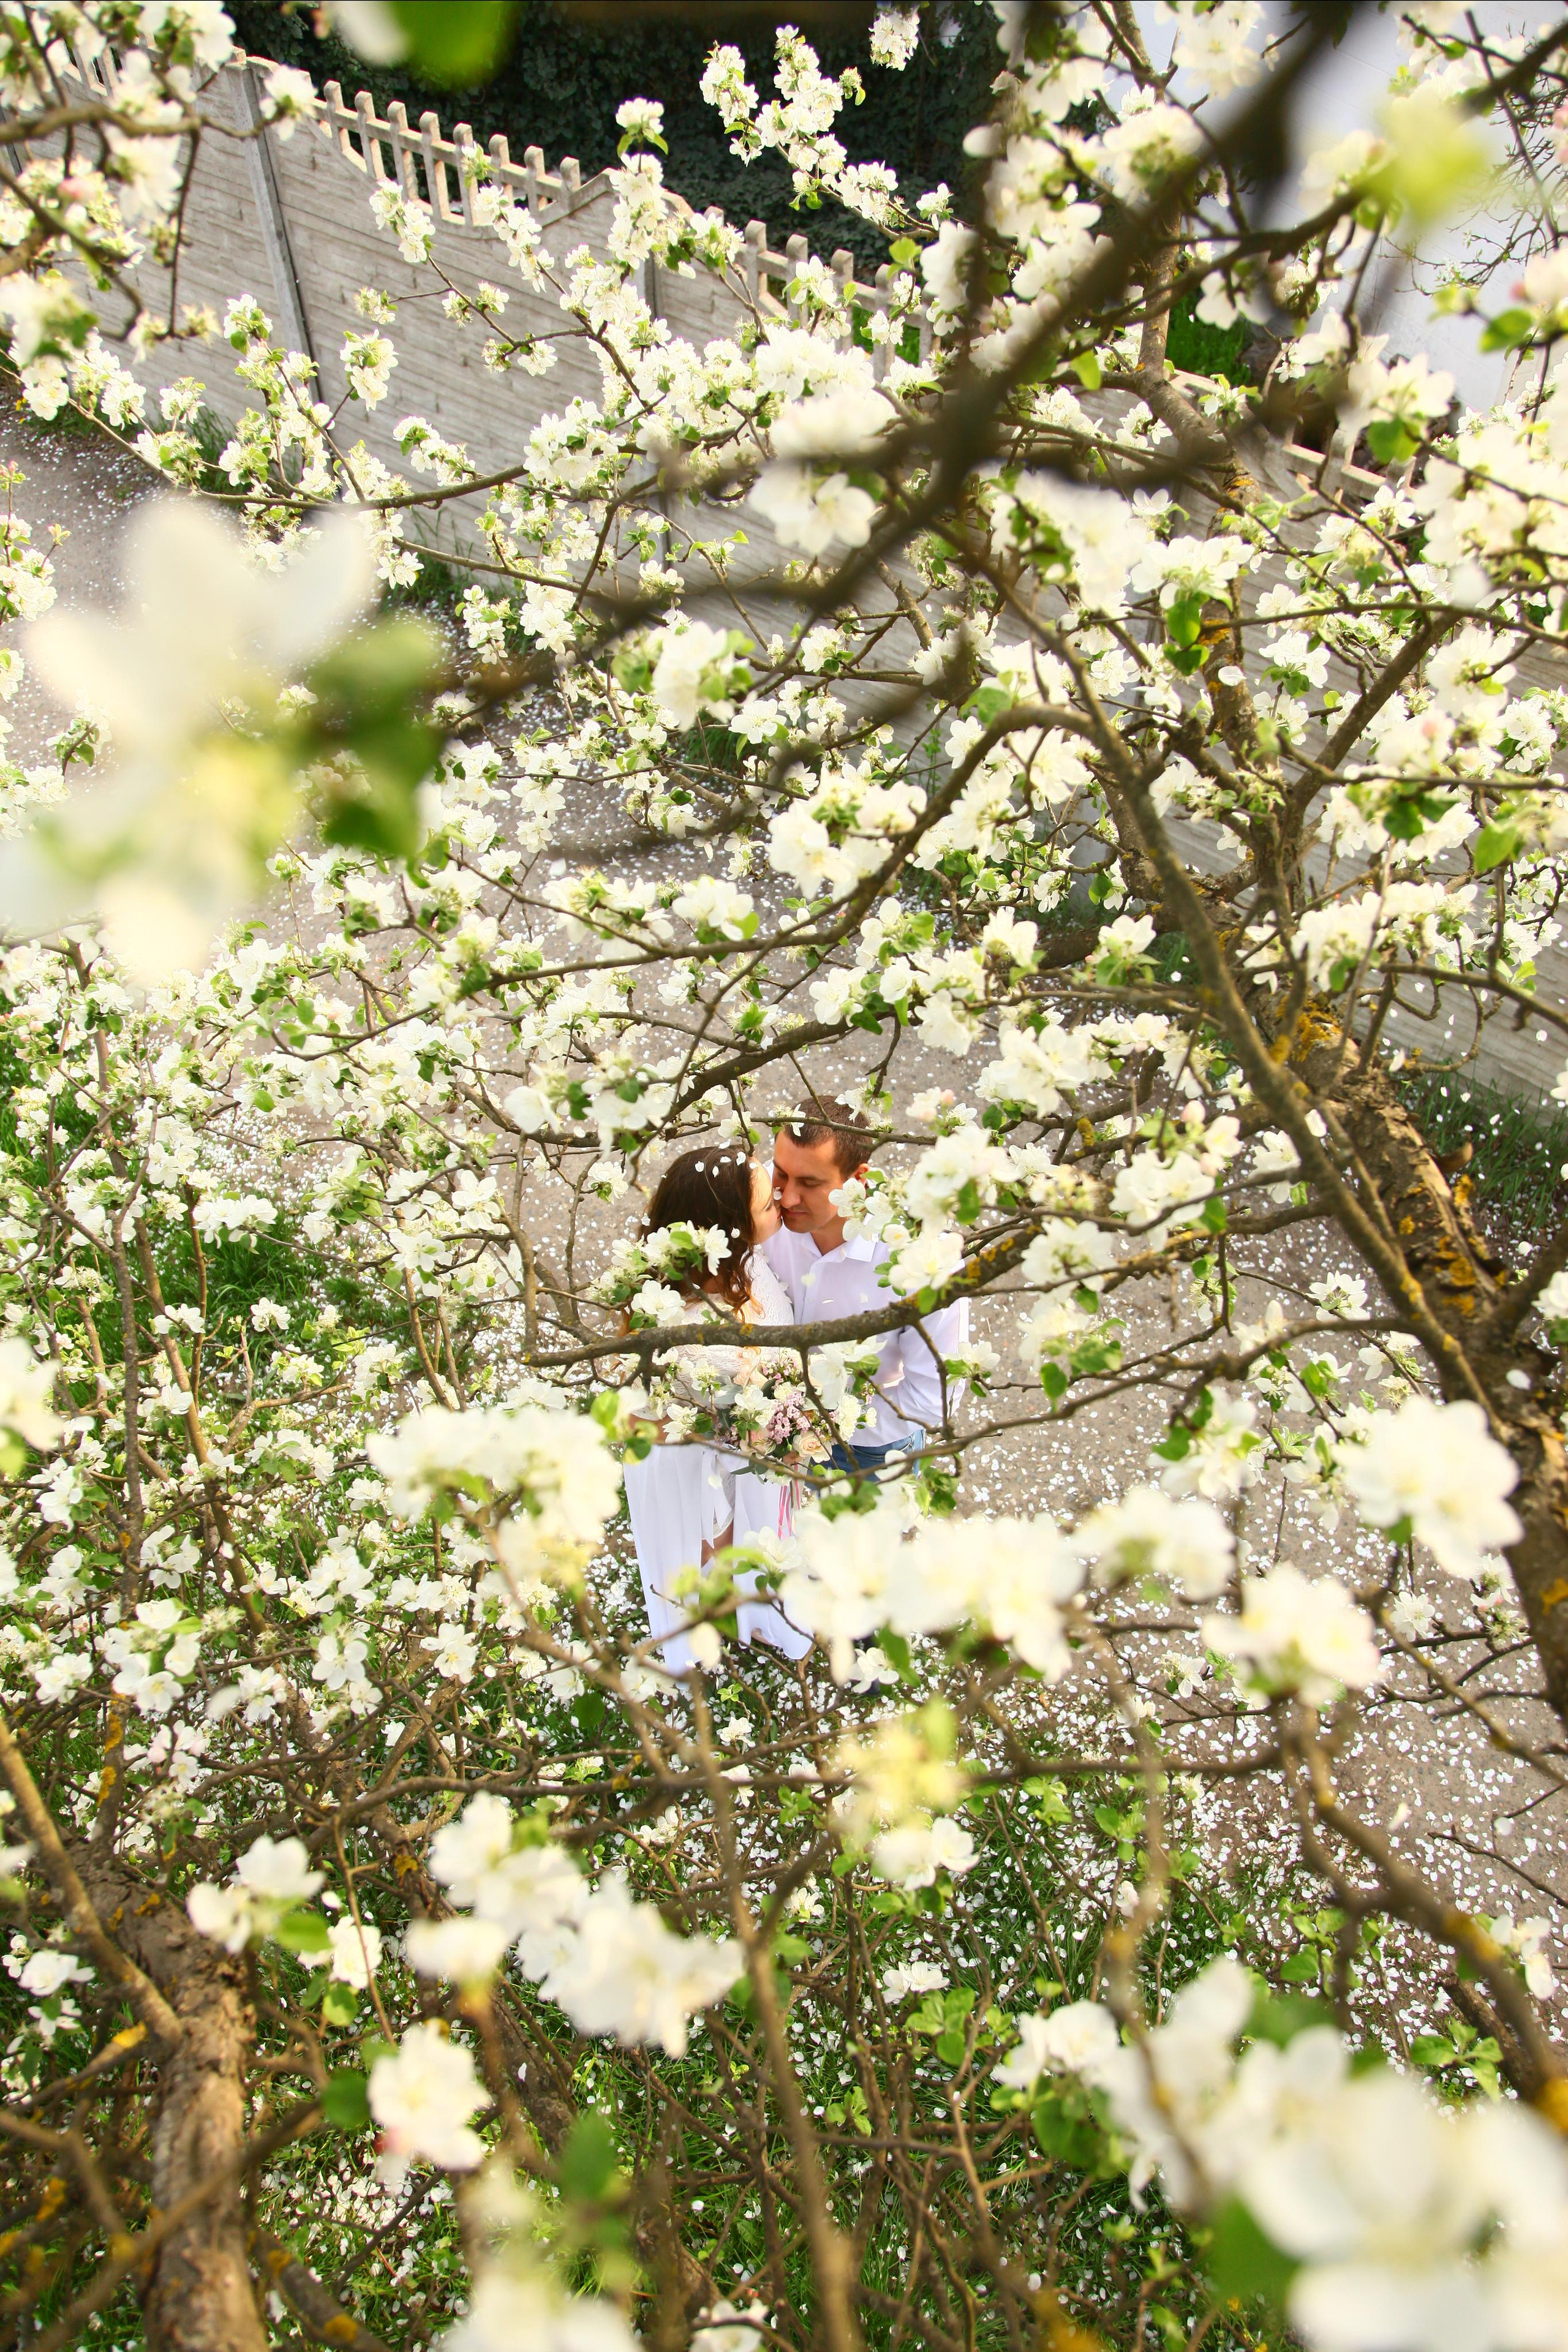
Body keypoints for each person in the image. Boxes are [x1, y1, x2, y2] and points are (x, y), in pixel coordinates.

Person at [621, 1145, 812, 1673]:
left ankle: (753, 1608)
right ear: (727, 1228)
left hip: (753, 1447)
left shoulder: (748, 1261)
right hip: (702, 1461)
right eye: (764, 1199)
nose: (779, 1196)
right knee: (712, 1566)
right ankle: (707, 1630)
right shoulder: (684, 1334)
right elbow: (647, 1426)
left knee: (764, 1543)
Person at [761, 1096, 968, 1475]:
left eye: (809, 1183)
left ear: (858, 1180)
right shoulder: (762, 1201)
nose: (787, 1197)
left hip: (865, 1455)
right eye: (781, 1174)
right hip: (762, 1425)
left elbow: (932, 1401)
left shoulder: (926, 1261)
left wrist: (816, 1423)